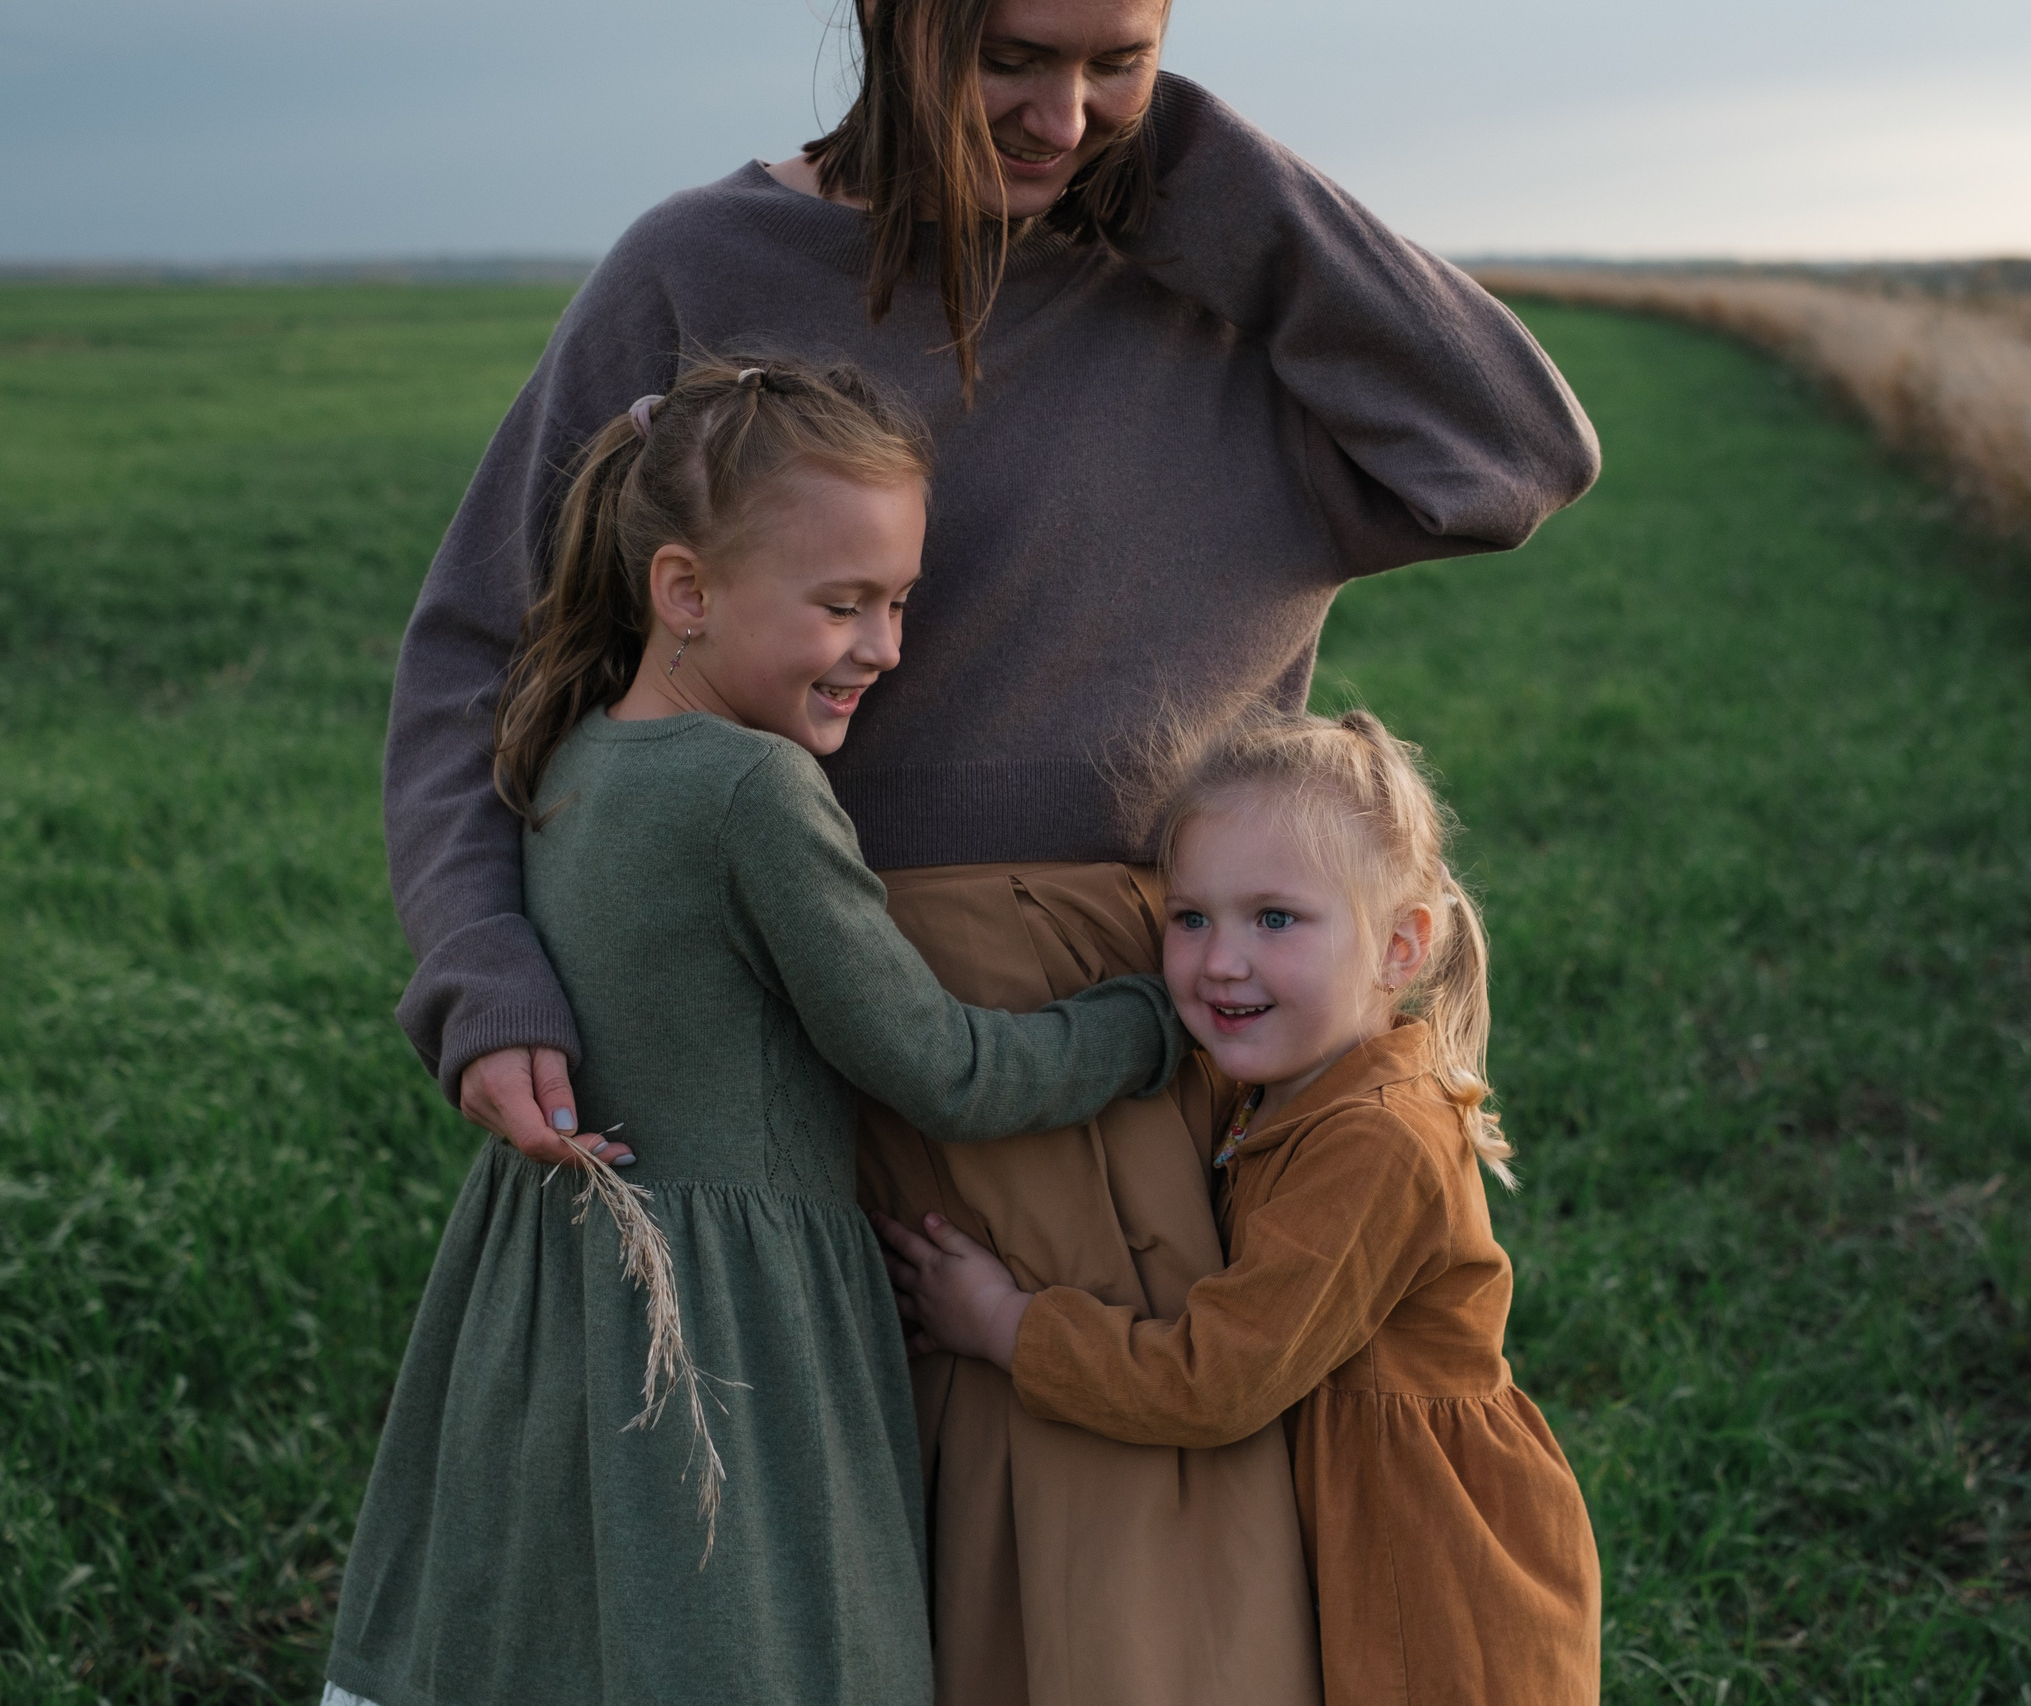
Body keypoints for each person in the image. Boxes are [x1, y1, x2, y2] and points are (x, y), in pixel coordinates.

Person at [379, 0, 1601, 1697]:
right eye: (1012, 55)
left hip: (1114, 1072)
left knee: (1125, 1620)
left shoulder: (1216, 284)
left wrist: (1188, 162)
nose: (1064, 113)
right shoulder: (702, 269)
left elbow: (1518, 450)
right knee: (810, 1611)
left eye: (1123, 55)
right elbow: (475, 652)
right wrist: (485, 965)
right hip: (783, 1081)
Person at [324, 355, 1197, 1706]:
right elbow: (934, 1064)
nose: (886, 648)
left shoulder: (573, 754)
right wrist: (1146, 1020)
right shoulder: (754, 792)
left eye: (899, 602)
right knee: (755, 1630)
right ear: (684, 592)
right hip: (732, 1312)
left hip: (553, 1279)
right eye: (843, 605)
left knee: (566, 1613)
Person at [877, 708, 1605, 1706]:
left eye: (1274, 918)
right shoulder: (1282, 1081)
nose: (1221, 959)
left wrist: (1006, 1322)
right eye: (1190, 916)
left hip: (1418, 1562)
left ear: (1401, 945)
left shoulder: (1377, 1141)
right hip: (1341, 1511)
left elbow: (1215, 1379)